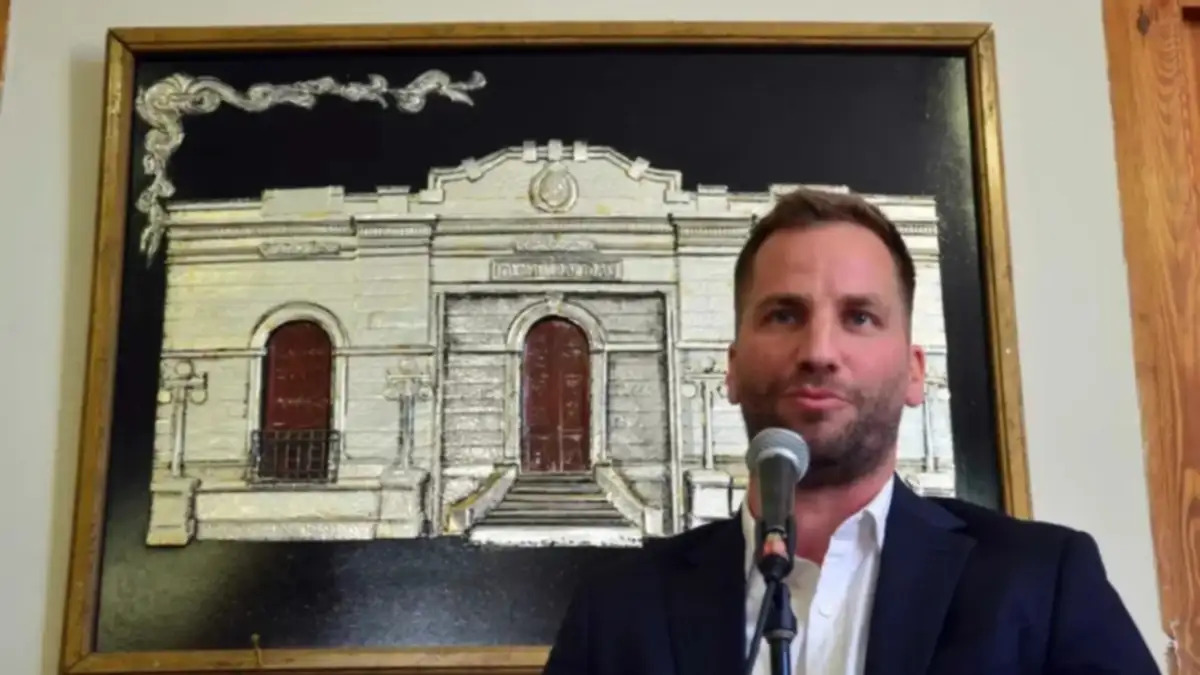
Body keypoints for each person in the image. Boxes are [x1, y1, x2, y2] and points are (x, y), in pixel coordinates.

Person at [540, 187, 1160, 675]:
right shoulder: (617, 607)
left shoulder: (1043, 581)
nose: (819, 351)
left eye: (859, 317)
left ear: (914, 372)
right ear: (730, 369)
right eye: (784, 315)